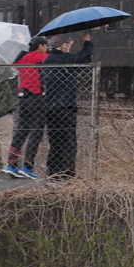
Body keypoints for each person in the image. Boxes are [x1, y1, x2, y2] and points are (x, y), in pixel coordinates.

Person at [40, 32, 94, 180]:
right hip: (65, 106)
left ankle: (54, 173)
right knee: (68, 141)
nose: (69, 47)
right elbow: (83, 57)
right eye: (67, 44)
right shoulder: (62, 59)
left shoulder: (48, 60)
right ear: (61, 46)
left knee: (55, 142)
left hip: (51, 108)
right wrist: (87, 41)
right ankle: (66, 174)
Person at [4, 36, 48, 180]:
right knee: (36, 132)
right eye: (45, 46)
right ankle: (27, 166)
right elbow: (52, 60)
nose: (47, 48)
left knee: (21, 131)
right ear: (40, 46)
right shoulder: (40, 56)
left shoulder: (22, 59)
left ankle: (12, 164)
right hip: (37, 97)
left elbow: (15, 64)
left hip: (23, 98)